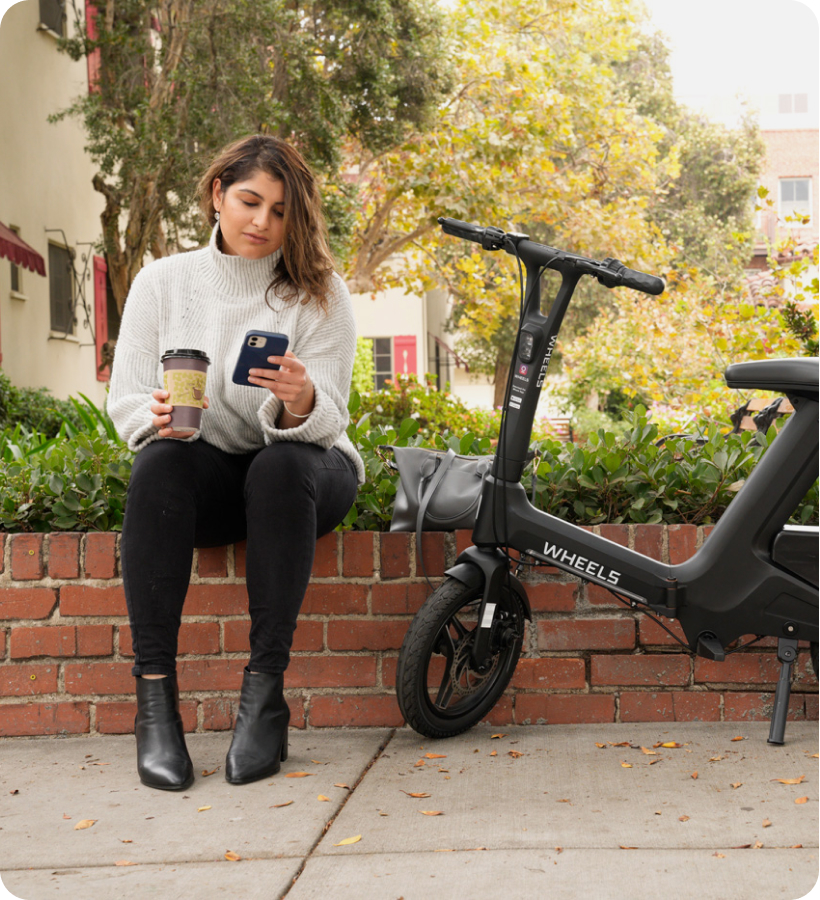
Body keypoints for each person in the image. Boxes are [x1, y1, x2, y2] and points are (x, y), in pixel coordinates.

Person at [106, 134, 364, 791]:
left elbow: (332, 414)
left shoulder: (319, 292)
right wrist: (155, 419)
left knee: (278, 469)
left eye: (280, 211)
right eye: (250, 201)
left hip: (309, 470)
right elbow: (127, 398)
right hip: (213, 469)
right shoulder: (164, 281)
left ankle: (264, 696)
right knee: (159, 464)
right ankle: (156, 704)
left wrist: (301, 400)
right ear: (218, 193)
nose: (262, 222)